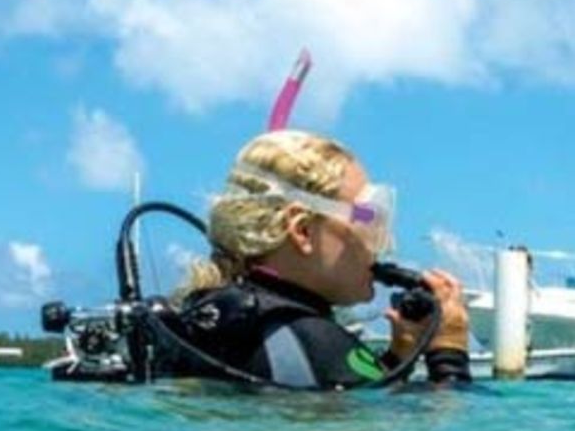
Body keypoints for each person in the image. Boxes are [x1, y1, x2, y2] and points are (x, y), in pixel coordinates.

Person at [162, 129, 471, 389]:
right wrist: (449, 353)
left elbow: (335, 395)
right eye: (367, 219)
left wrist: (397, 358)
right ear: (304, 231)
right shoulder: (315, 342)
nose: (384, 242)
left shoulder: (226, 318)